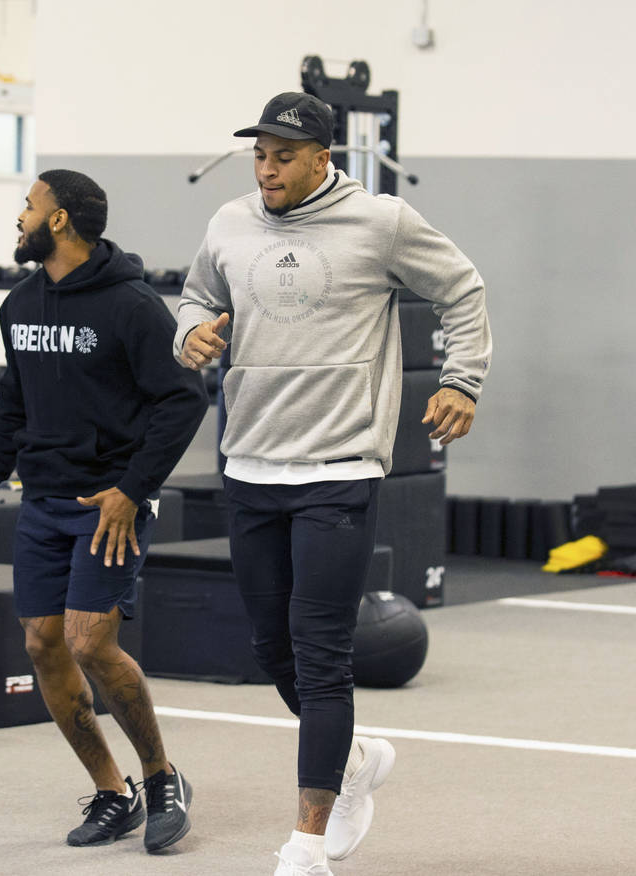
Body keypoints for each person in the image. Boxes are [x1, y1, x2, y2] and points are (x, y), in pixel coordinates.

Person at [175, 93, 491, 875]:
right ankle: (350, 763)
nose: (268, 168)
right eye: (260, 154)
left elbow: (463, 288)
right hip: (248, 461)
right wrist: (190, 334)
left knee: (320, 656)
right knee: (269, 647)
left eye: (284, 155)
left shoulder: (379, 222)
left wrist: (462, 380)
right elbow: (194, 297)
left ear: (323, 157)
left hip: (340, 467)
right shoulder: (228, 223)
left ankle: (307, 843)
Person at [0, 170, 208, 851]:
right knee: (43, 644)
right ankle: (113, 791)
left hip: (106, 504)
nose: (19, 218)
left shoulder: (134, 305)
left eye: (29, 206)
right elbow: (14, 399)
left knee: (91, 640)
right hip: (44, 501)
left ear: (58, 221)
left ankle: (161, 774)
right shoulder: (19, 304)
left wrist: (132, 488)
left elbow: (183, 399)